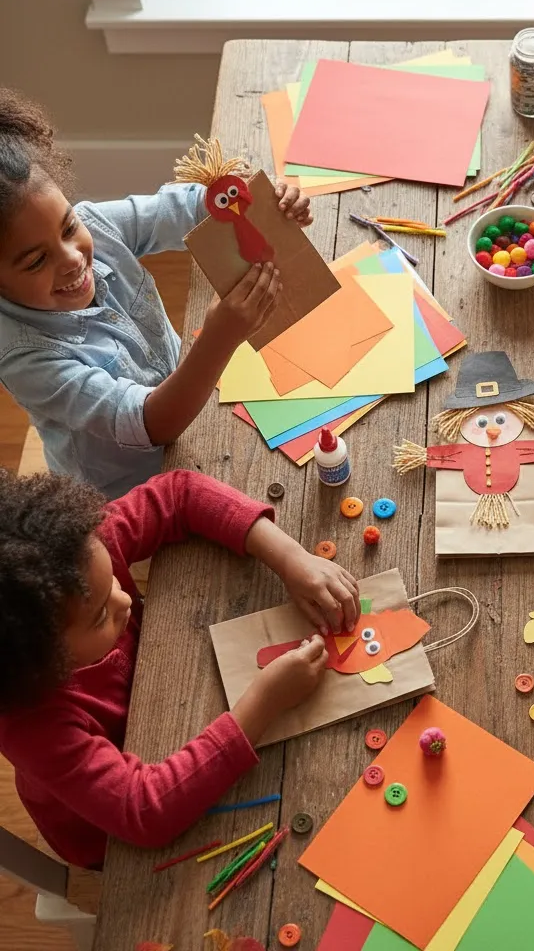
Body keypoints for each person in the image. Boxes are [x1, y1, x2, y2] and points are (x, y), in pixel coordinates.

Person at [0, 467, 361, 869]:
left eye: (113, 585)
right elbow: (144, 812)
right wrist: (263, 701)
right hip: (110, 836)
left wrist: (291, 558)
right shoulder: (33, 727)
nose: (123, 599)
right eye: (101, 615)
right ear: (41, 655)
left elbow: (179, 493)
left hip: (170, 704)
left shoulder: (74, 560)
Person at [0, 87, 310, 499]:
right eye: (37, 261)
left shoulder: (96, 224)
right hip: (126, 494)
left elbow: (177, 211)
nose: (72, 258)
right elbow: (152, 424)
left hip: (190, 407)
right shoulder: (26, 360)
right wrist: (219, 338)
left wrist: (248, 203)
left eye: (69, 227)